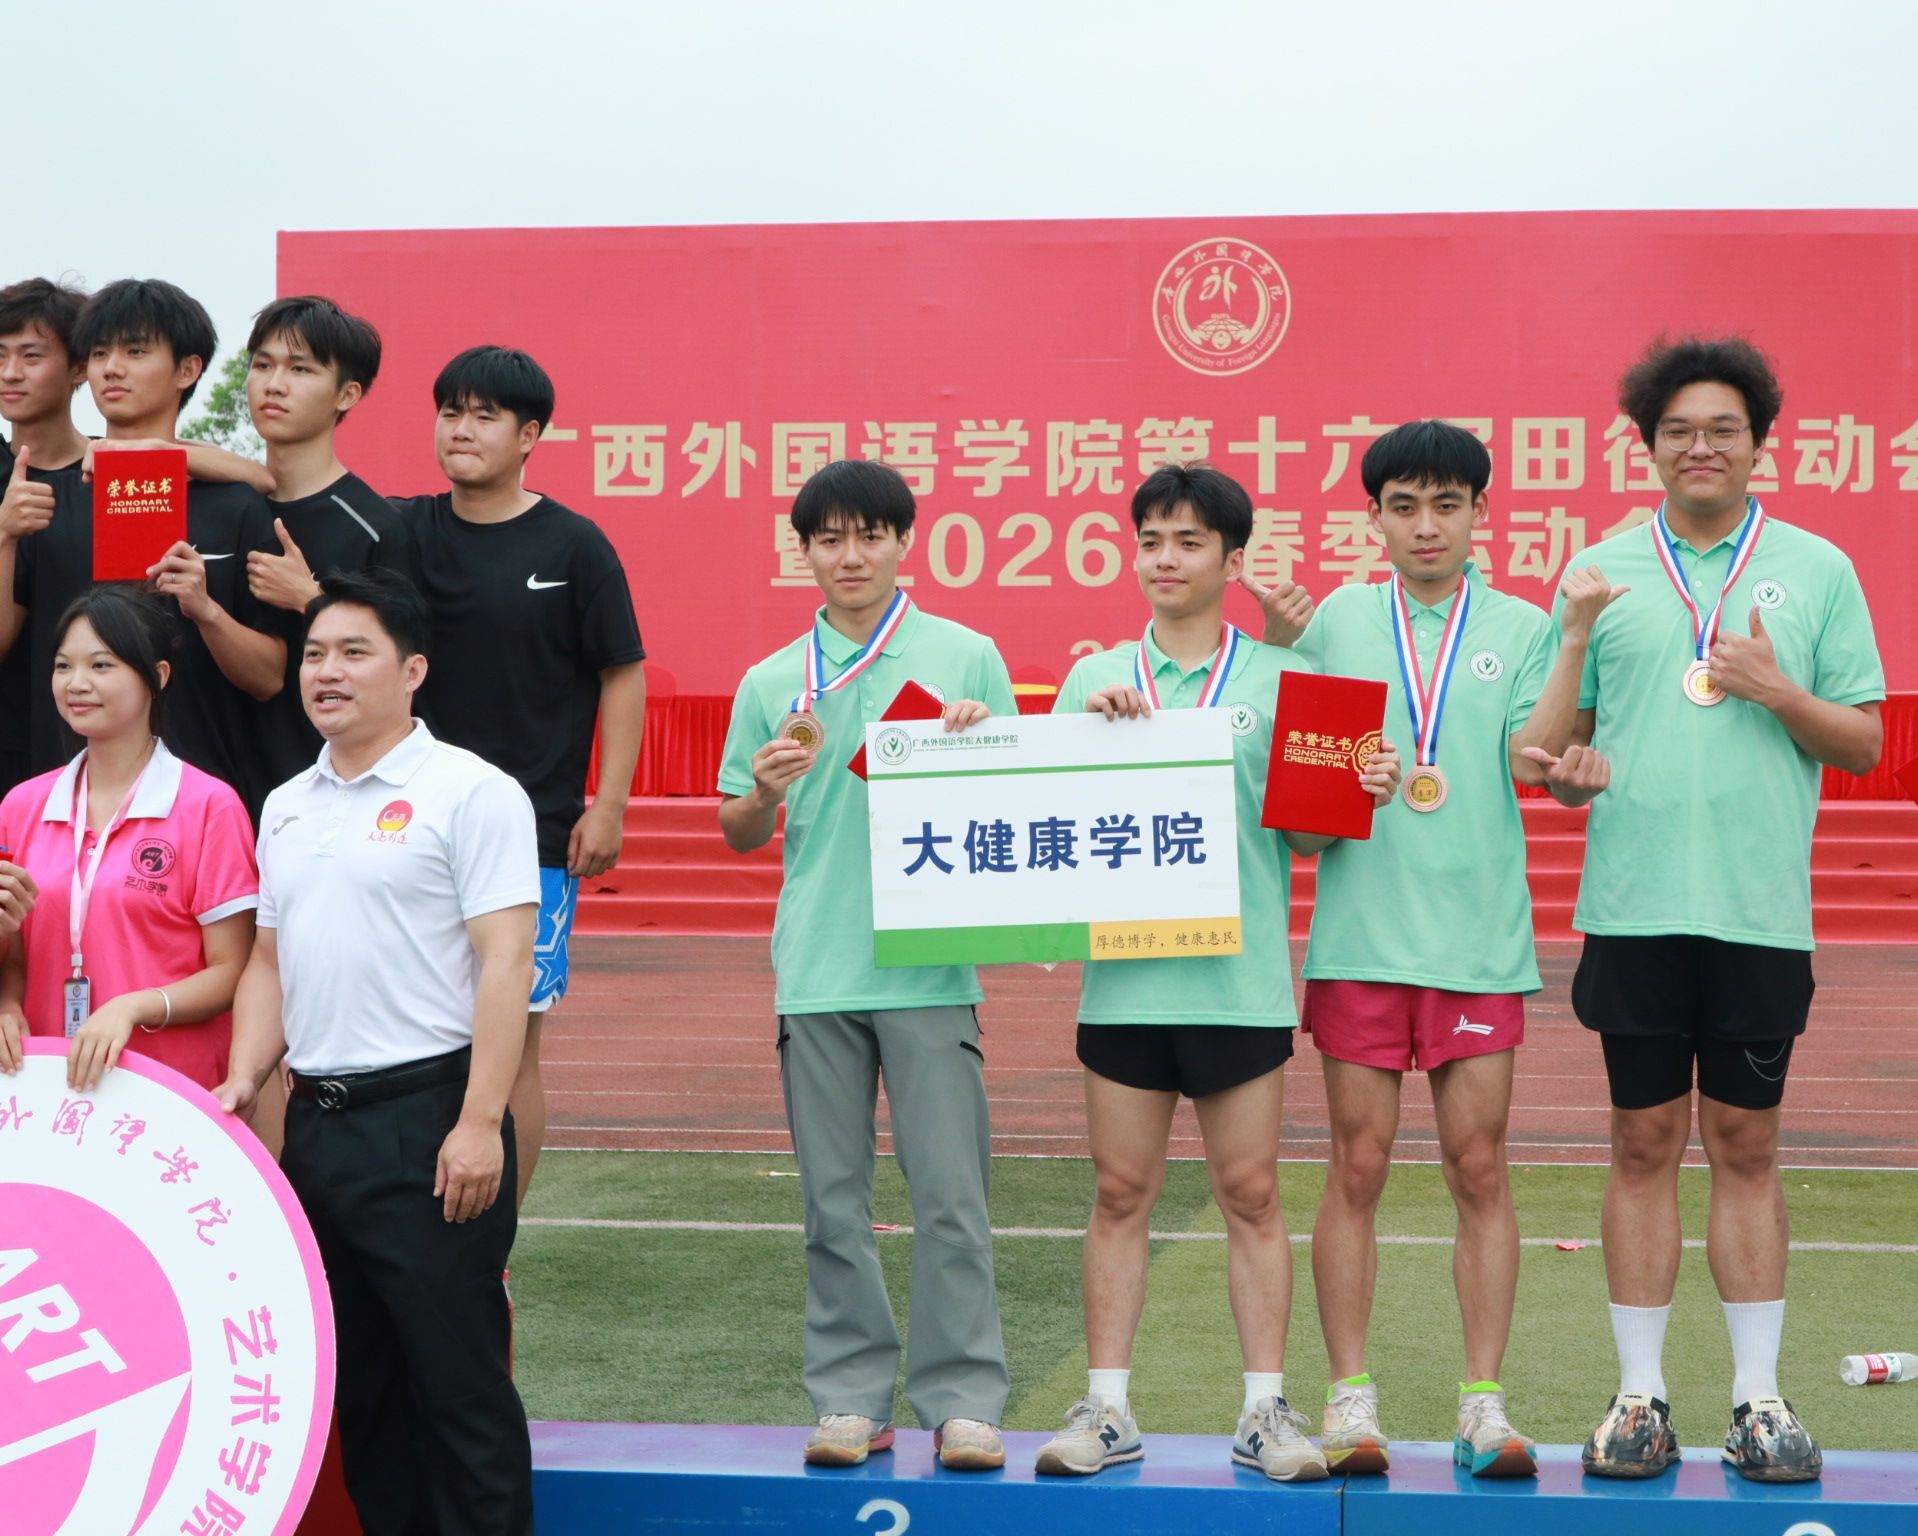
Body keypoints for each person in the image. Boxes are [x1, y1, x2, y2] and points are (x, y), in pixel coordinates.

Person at [1548, 336, 1883, 1484]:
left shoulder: (1818, 569)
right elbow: (1557, 752)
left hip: (1757, 911)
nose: (1701, 446)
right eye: (1679, 430)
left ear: (1758, 444)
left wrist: (1776, 689)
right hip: (1634, 908)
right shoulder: (1599, 572)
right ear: (1649, 446)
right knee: (1642, 1141)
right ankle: (1639, 1398)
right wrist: (1568, 769)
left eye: (1723, 429)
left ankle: (1758, 1401)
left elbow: (1864, 741)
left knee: (1747, 1142)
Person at [1033, 463, 1399, 1484]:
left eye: (1190, 541)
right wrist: (1080, 735)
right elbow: (1043, 824)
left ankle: (1263, 1410)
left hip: (1239, 984)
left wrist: (1357, 784)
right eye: (1151, 540)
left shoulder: (1287, 680)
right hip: (1124, 984)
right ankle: (1107, 1409)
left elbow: (1312, 841)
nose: (1167, 559)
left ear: (1233, 561)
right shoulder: (1093, 676)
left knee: (1250, 1191)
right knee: (1119, 1193)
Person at [1272, 419, 1608, 1479]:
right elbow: (1305, 821)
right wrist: (1346, 783)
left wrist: (1574, 637)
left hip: (1475, 941)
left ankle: (1482, 1404)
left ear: (1479, 514)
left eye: (1447, 505)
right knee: (1358, 1166)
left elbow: (1531, 759)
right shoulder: (1335, 621)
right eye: (1404, 506)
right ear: (1372, 517)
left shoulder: (1517, 624)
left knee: (1479, 1166)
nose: (1426, 526)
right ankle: (1350, 1399)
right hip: (1362, 940)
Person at [217, 569, 539, 1535]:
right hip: (319, 1130)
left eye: (354, 652)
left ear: (413, 671)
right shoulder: (287, 803)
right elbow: (268, 961)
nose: (327, 672)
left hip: (430, 1126)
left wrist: (480, 1123)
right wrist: (243, 1077)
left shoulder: (472, 792)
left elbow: (506, 960)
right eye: (315, 654)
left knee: (460, 1391)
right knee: (365, 1396)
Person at [717, 457, 1014, 1471]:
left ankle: (963, 1400)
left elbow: (1015, 808)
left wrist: (981, 745)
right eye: (830, 539)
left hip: (930, 966)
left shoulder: (968, 656)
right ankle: (849, 1396)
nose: (851, 556)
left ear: (904, 542)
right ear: (804, 551)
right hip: (819, 966)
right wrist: (763, 790)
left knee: (953, 1199)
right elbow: (739, 832)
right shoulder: (772, 681)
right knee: (832, 1203)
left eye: (870, 535)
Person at [397, 345, 646, 1208]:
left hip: (531, 834)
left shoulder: (575, 546)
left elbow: (622, 673)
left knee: (511, 1047)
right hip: (408, 828)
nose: (461, 430)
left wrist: (607, 805)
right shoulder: (404, 531)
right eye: (450, 412)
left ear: (529, 435)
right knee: (413, 1031)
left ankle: (494, 1237)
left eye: (485, 416)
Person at [0, 587, 256, 1088]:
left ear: (157, 676)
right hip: (46, 1084)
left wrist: (134, 1006)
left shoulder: (208, 805)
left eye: (101, 665)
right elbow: (15, 958)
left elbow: (233, 971)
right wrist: (6, 1005)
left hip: (167, 1090)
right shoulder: (21, 806)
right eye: (63, 666)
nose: (77, 684)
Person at [53, 280, 291, 817]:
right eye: (99, 354)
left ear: (187, 370)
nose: (112, 369)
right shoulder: (46, 502)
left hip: (202, 799)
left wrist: (205, 610)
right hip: (59, 803)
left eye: (136, 352)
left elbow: (270, 677)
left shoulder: (237, 506)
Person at [236, 295, 415, 793]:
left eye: (300, 369)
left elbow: (400, 667)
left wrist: (311, 600)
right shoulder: (224, 507)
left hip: (334, 790)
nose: (274, 384)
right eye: (262, 365)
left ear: (347, 394)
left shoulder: (376, 526)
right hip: (215, 791)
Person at [0, 277, 91, 792]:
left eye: (31, 356)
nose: (10, 373)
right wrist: (4, 534)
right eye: (0, 356)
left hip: (103, 747)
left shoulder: (116, 473)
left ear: (79, 367)